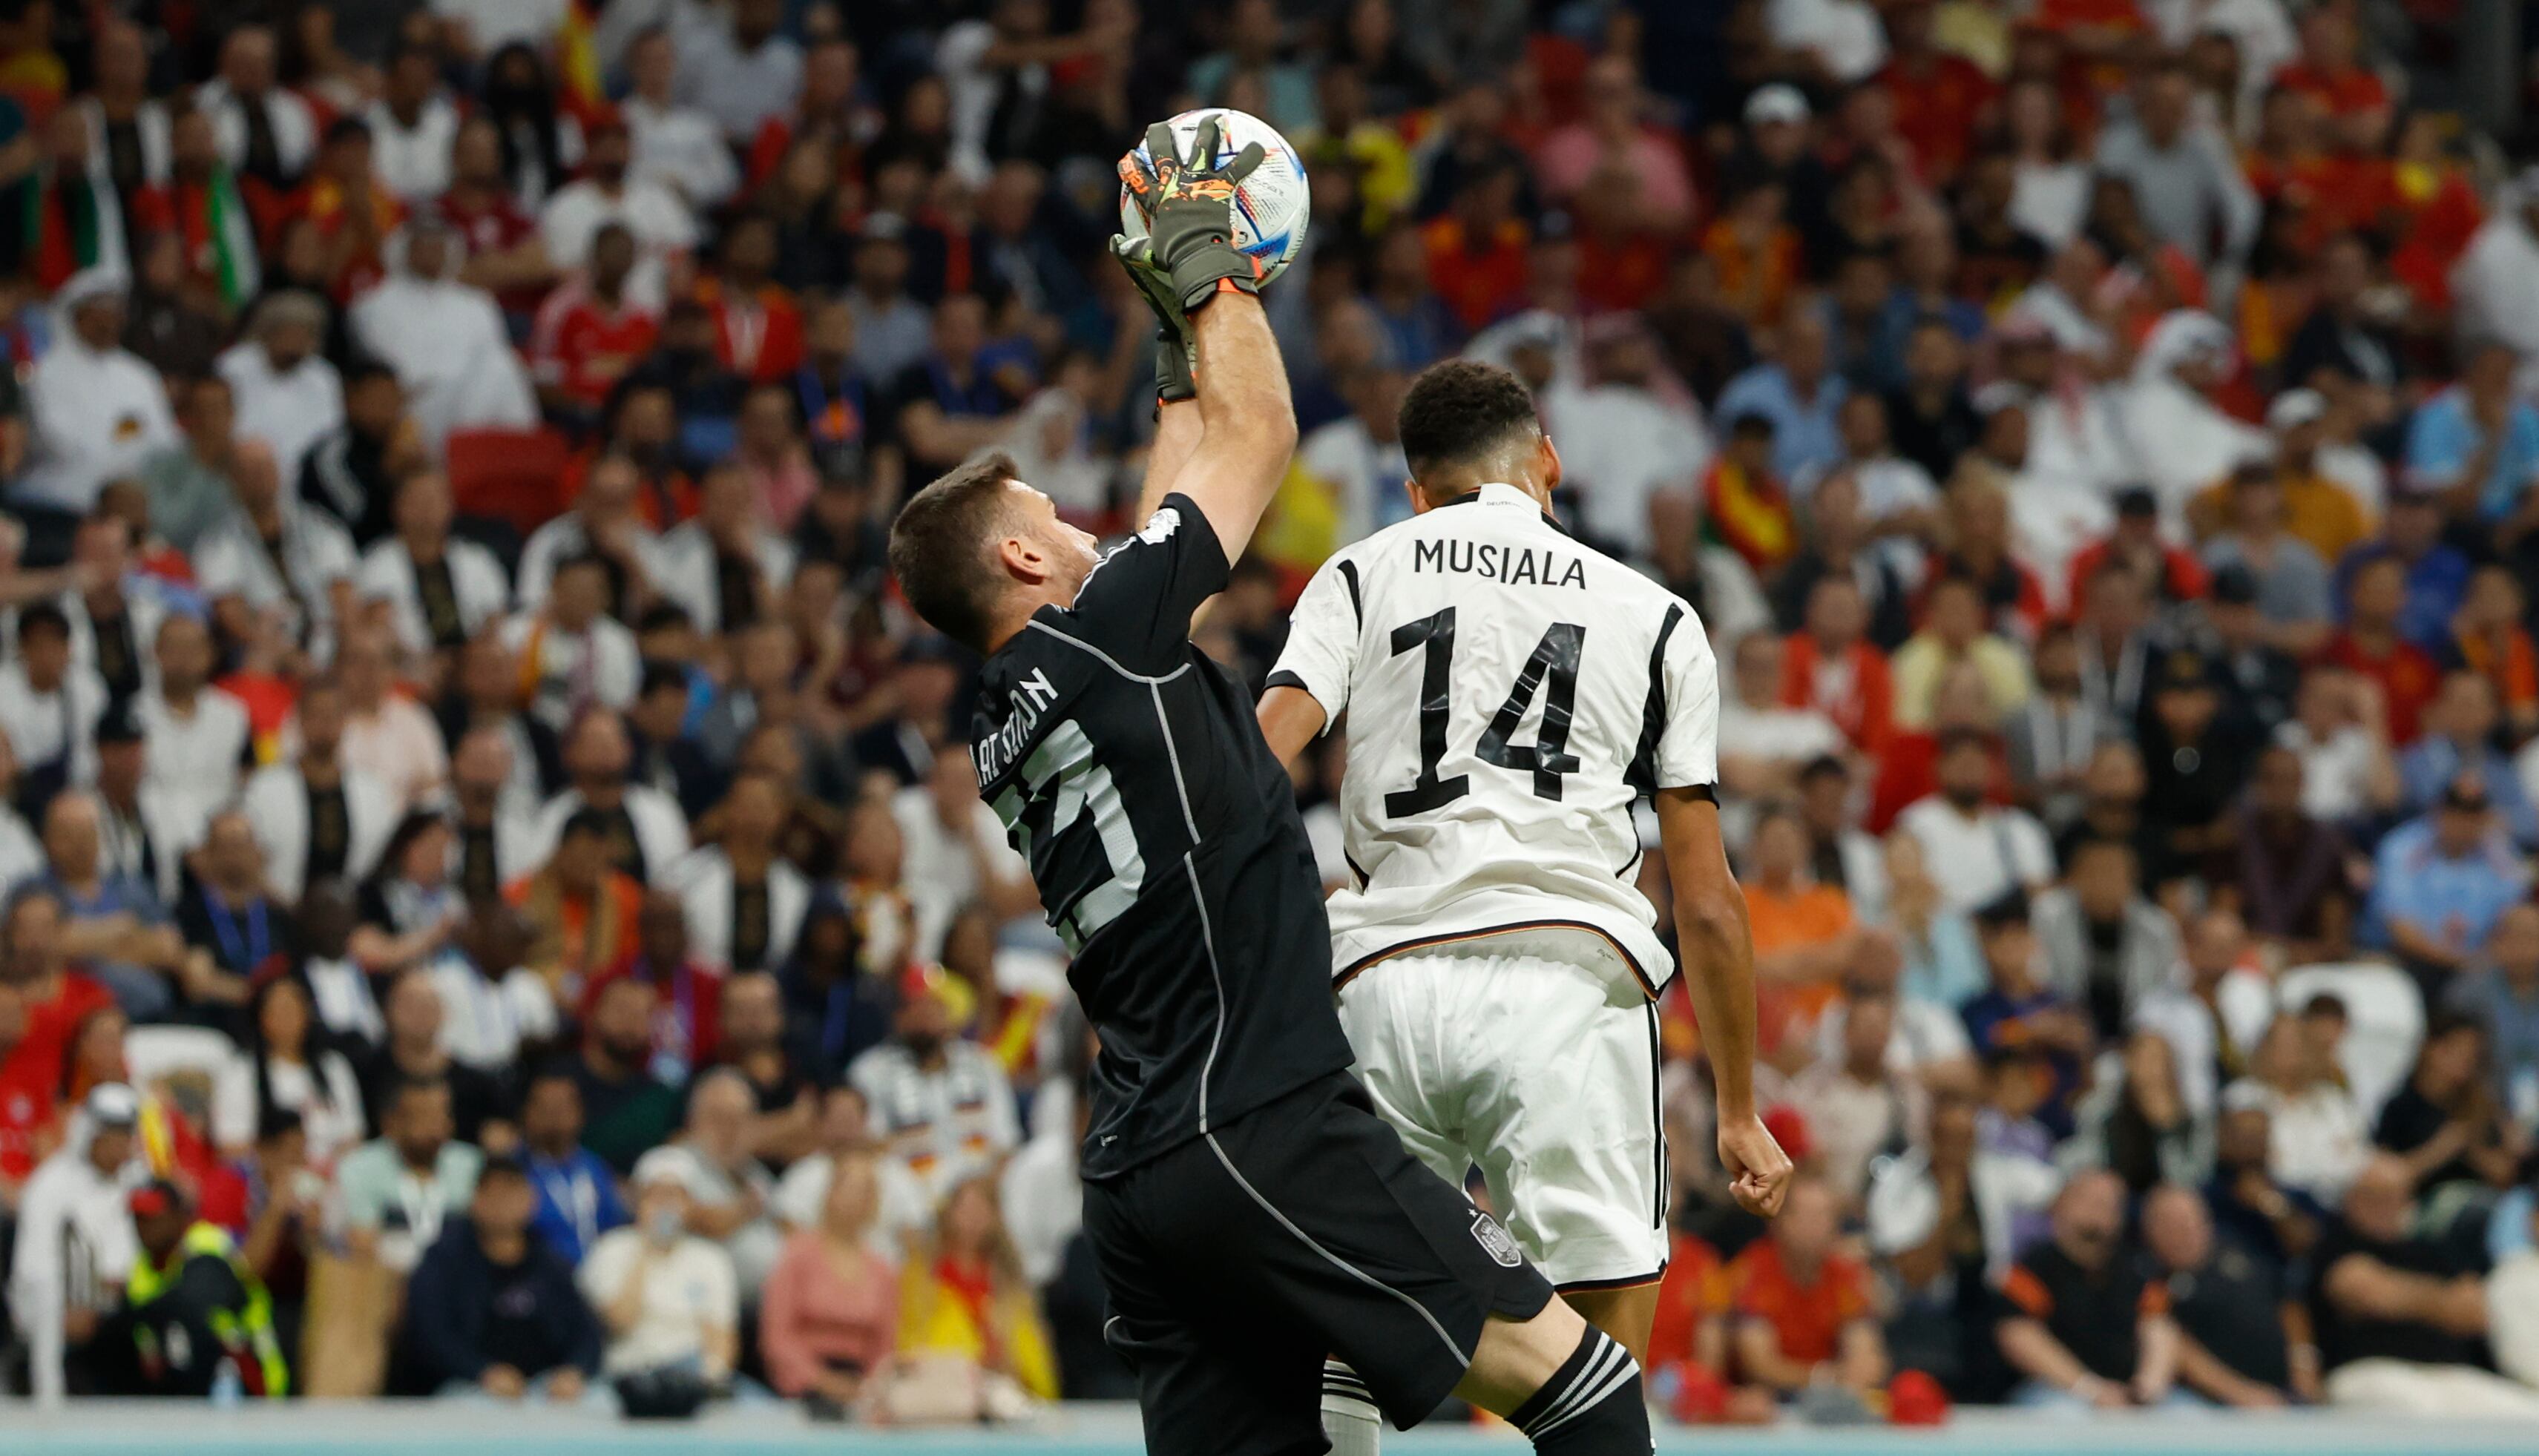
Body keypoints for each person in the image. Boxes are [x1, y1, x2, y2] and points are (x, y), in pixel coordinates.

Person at [884, 121, 1675, 1454]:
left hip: (1144, 1170)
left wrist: (1165, 339)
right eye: (1057, 521)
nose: (1091, 530)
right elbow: (1258, 432)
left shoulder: (1014, 715)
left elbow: (1172, 483)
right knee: (1584, 1385)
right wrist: (1216, 272)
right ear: (1022, 556)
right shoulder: (1103, 637)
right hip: (1261, 1119)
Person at [2310, 1153, 2539, 1412]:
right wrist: (2443, 1302)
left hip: (2450, 1373)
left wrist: (2406, 1295)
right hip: (2370, 1369)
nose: (2386, 1205)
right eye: (2374, 1195)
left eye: (2396, 1195)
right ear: (2352, 1198)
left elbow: (2476, 1312)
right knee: (2419, 1411)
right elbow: (2365, 1292)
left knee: (2527, 1414)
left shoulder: (2431, 1249)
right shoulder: (2336, 1244)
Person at [395, 1153, 601, 1401]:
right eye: (494, 1195)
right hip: (467, 1385)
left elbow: (587, 1331)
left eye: (513, 1195)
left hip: (545, 1386)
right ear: (476, 1200)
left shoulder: (551, 1264)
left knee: (599, 1403)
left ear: (531, 1201)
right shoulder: (443, 1260)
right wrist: (482, 1372)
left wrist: (574, 1371)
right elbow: (430, 1335)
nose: (503, 1205)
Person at [1996, 1169, 2187, 1409]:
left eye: (2110, 1204)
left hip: (2129, 1391)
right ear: (2062, 1204)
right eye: (2089, 1200)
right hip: (2055, 1389)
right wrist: (2089, 1388)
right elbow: (2018, 1335)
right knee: (2061, 1415)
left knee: (2189, 1417)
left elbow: (2159, 1326)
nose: (2099, 1209)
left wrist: (2148, 1386)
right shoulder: (2033, 1267)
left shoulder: (2138, 1268)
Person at [9, 1082, 143, 1406]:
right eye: (117, 1135)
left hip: (123, 1315)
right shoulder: (51, 1187)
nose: (124, 1146)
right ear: (94, 1134)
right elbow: (37, 1275)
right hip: (59, 1323)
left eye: (129, 1134)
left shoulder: (135, 1182)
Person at [579, 1146, 740, 1399]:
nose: (666, 1206)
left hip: (690, 1375)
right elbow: (619, 1322)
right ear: (638, 1201)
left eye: (675, 1196)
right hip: (625, 1375)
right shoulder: (610, 1249)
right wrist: (646, 1249)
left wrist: (709, 1380)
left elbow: (720, 1338)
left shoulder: (711, 1259)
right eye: (656, 1196)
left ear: (691, 1203)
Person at [109, 1176, 289, 1398]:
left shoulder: (206, 1244)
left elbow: (191, 1299)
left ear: (178, 1216)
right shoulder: (141, 1269)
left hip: (252, 1382)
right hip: (194, 1390)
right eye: (138, 1218)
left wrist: (118, 1318)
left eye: (153, 1218)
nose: (143, 1227)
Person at [2141, 1182, 2313, 1406]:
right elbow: (2176, 1348)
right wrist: (2241, 1394)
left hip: (2286, 1392)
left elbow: (2288, 1304)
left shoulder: (2240, 1254)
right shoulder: (2154, 1282)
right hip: (2212, 1401)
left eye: (2189, 1221)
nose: (2183, 1232)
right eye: (2171, 1225)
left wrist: (2304, 1363)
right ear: (2150, 1233)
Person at [760, 1144, 900, 1414]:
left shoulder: (882, 1270)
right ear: (830, 1193)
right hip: (802, 1386)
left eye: (866, 1192)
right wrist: (821, 1381)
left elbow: (884, 1344)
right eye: (849, 1188)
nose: (856, 1199)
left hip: (860, 1387)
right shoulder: (797, 1255)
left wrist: (869, 1388)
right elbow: (778, 1336)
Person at [333, 1074, 485, 1275]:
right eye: (424, 1116)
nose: (436, 1128)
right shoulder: (358, 1167)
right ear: (391, 1122)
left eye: (443, 1115)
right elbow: (362, 1244)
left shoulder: (473, 1165)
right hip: (385, 1285)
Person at [517, 1064, 628, 1267]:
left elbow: (617, 1227)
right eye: (545, 1108)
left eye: (562, 1107)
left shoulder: (596, 1168)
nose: (554, 1116)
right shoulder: (515, 1170)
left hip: (598, 1276)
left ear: (580, 1113)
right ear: (527, 1113)